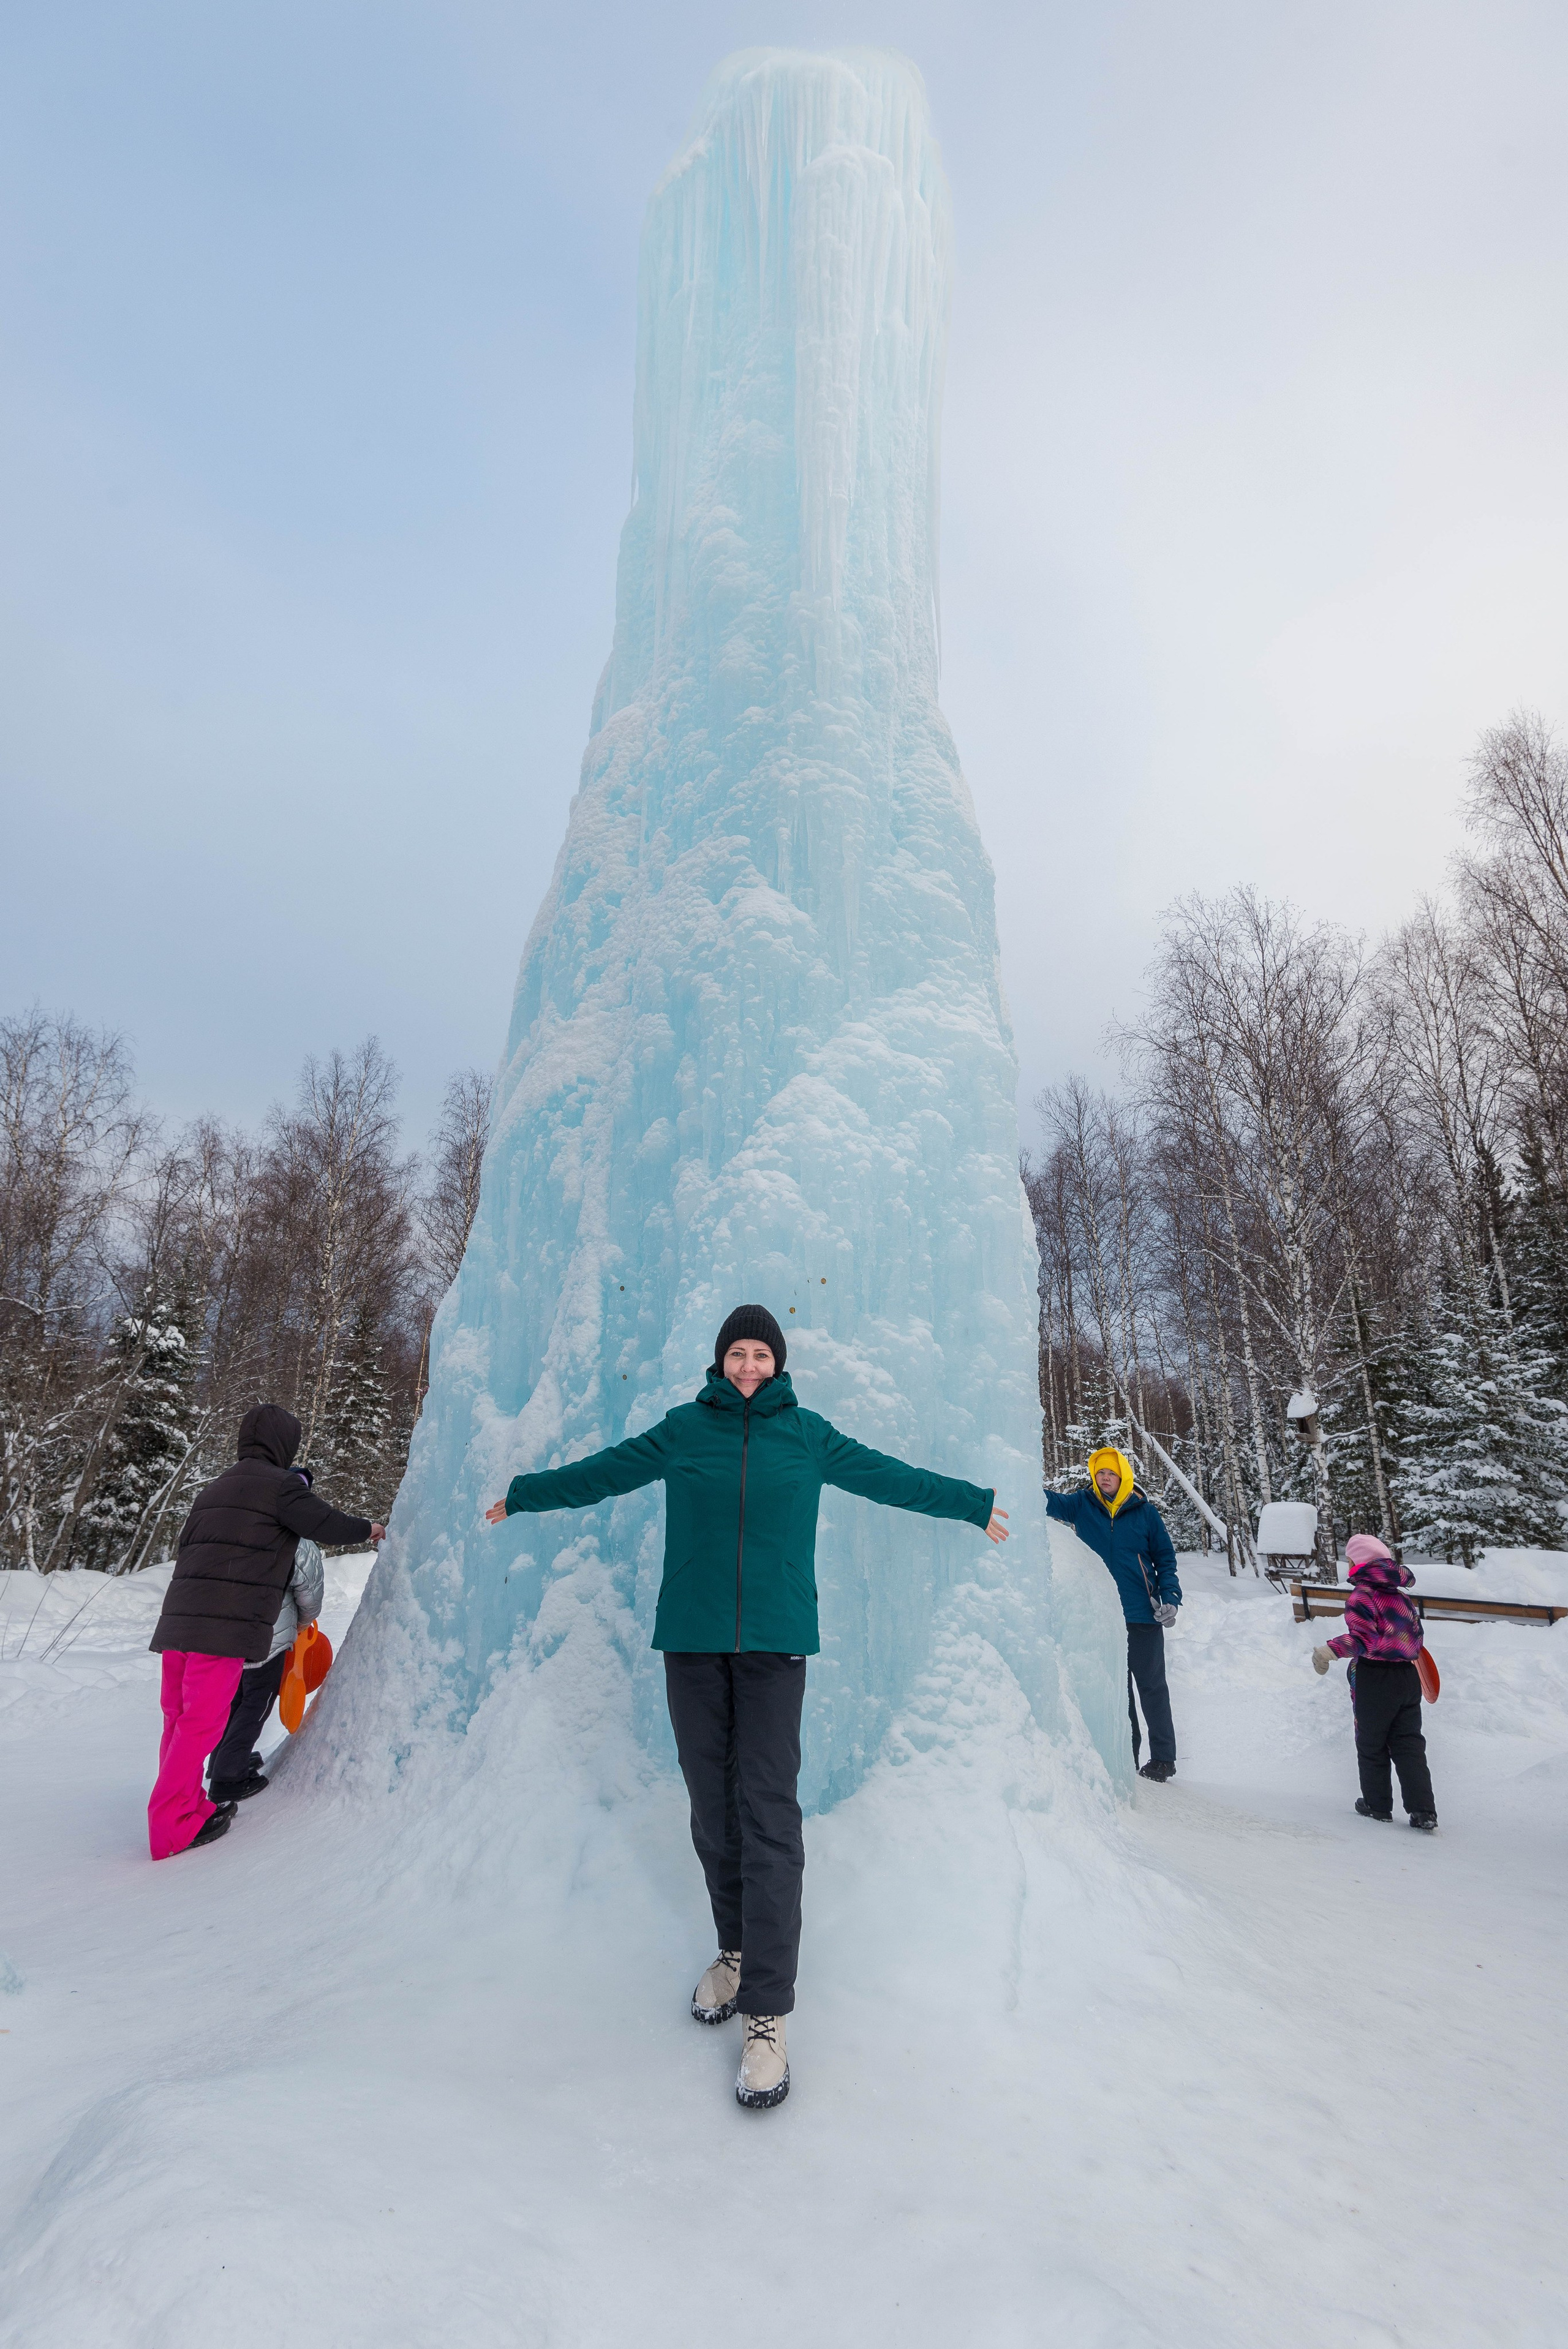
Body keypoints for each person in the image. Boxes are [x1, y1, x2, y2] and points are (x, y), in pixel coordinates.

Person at [484, 1303, 1009, 2111]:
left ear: (780, 1361)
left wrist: (969, 1502)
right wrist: (524, 1493)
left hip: (774, 1645)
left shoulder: (809, 1433)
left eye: (762, 1352)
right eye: (738, 1351)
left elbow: (890, 1476)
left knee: (768, 1814)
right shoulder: (683, 1428)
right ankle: (732, 1947)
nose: (750, 1364)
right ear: (719, 1359)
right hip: (691, 1644)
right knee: (711, 1810)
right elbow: (604, 1471)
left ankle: (768, 2010)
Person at [146, 1404, 383, 1860]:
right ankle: (171, 1826)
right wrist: (370, 1529)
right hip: (222, 1629)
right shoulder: (280, 1487)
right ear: (283, 1445)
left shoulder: (214, 1489)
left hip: (179, 1621)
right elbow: (325, 1523)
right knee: (201, 1723)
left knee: (178, 1719)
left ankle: (188, 1804)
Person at [1044, 1446, 1182, 1781]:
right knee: (1119, 1692)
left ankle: (1164, 1759)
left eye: (1111, 1473)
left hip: (1142, 1614)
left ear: (1123, 1477)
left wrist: (1171, 1598)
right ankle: (1126, 1758)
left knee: (1152, 1688)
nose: (1105, 1478)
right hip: (1103, 1616)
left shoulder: (1145, 1513)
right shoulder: (1081, 1504)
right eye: (1100, 1473)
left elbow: (1165, 1558)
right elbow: (1046, 1501)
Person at [206, 1464, 326, 1804]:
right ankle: (229, 1777)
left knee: (234, 1700)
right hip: (267, 1637)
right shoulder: (297, 1539)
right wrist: (303, 1624)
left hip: (227, 1634)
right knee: (256, 1703)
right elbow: (310, 1594)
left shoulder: (241, 1527)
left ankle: (223, 1760)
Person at [1312, 1533, 1437, 1831]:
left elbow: (1364, 1640)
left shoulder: (1361, 1596)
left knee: (1371, 1743)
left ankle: (1377, 1805)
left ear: (1357, 1562)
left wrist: (1330, 1650)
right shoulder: (1402, 1596)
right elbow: (1415, 1640)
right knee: (1409, 1744)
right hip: (1407, 1677)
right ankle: (1423, 1811)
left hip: (1375, 1677)